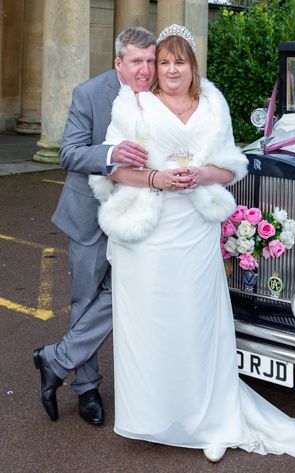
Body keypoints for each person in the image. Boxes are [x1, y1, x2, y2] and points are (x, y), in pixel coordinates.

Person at [89, 24, 295, 465]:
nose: (169, 70)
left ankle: (211, 420)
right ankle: (154, 417)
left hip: (194, 229)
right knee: (150, 328)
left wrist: (203, 175)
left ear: (192, 66)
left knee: (197, 323)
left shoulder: (212, 103)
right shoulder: (134, 106)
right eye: (161, 62)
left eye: (178, 61)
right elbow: (110, 170)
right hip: (147, 234)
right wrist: (156, 178)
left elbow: (231, 165)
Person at [33, 26, 194, 426]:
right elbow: (68, 152)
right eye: (136, 61)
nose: (145, 70)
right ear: (118, 62)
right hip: (90, 216)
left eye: (149, 60)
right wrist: (109, 153)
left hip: (142, 217)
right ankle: (87, 389)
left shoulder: (163, 94)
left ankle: (56, 359)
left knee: (129, 292)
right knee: (85, 301)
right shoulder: (89, 94)